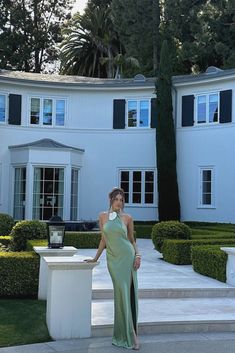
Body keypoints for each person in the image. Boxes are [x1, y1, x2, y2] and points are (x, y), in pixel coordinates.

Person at [85, 187, 141, 350]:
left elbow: (131, 240)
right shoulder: (102, 216)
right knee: (120, 295)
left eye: (122, 200)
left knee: (126, 295)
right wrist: (95, 258)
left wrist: (138, 255)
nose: (119, 202)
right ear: (111, 200)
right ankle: (122, 334)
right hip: (113, 261)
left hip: (127, 258)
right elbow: (104, 239)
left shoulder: (128, 218)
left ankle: (133, 336)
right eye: (116, 199)